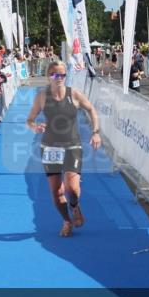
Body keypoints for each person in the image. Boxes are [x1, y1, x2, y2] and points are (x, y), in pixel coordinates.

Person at [25, 61, 102, 237]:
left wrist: (95, 132)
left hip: (72, 145)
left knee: (72, 189)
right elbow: (29, 119)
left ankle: (74, 206)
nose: (58, 78)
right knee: (56, 191)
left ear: (66, 76)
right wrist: (34, 127)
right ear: (48, 76)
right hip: (49, 147)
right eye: (54, 74)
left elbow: (91, 110)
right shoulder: (42, 97)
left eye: (61, 75)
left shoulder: (74, 94)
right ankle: (67, 221)